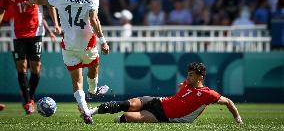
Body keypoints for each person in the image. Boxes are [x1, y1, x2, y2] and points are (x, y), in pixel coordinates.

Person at [23, 0, 110, 124]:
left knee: (76, 81)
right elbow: (94, 19)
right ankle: (93, 90)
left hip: (69, 45)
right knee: (94, 66)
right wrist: (103, 41)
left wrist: (30, 2)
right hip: (87, 44)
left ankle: (85, 111)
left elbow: (44, 1)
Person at [91, 62, 243, 124]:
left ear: (200, 77)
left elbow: (228, 102)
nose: (187, 77)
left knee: (126, 117)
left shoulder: (208, 94)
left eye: (191, 75)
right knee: (127, 104)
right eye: (188, 74)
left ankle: (113, 118)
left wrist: (238, 120)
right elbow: (181, 91)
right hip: (158, 101)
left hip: (163, 116)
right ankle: (92, 112)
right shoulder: (187, 84)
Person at [0, 0, 60, 115]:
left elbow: (49, 5)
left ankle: (30, 98)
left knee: (36, 67)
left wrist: (56, 25)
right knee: (21, 67)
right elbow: (2, 11)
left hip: (35, 33)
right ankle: (27, 101)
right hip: (18, 34)